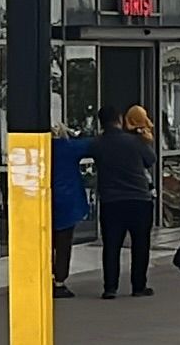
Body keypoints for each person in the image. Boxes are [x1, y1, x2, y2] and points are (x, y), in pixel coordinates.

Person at [93, 106, 159, 298]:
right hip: (139, 199)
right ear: (120, 119)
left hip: (111, 201)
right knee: (140, 244)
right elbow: (151, 159)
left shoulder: (98, 144)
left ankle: (110, 287)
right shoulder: (134, 142)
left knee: (111, 245)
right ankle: (138, 286)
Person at [46, 121, 95, 299]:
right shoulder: (69, 147)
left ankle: (44, 277)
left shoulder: (41, 149)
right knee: (63, 244)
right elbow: (91, 145)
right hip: (67, 201)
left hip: (44, 200)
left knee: (45, 244)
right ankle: (59, 281)